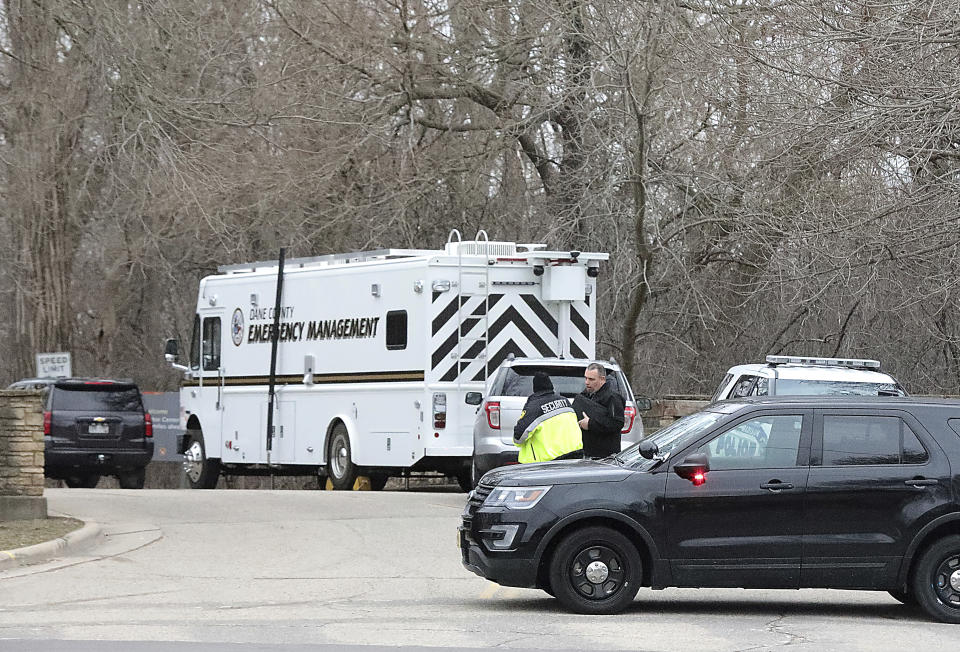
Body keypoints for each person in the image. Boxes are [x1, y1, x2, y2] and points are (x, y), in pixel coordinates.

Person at [513, 372, 583, 463]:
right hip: (574, 458)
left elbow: (518, 438)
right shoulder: (566, 402)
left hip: (548, 464)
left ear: (535, 389)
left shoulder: (534, 407)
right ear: (551, 386)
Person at [573, 363, 625, 458]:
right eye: (586, 378)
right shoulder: (585, 395)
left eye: (591, 379)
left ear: (602, 379)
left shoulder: (613, 397)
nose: (587, 382)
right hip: (586, 453)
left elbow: (617, 423)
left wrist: (590, 424)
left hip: (605, 456)